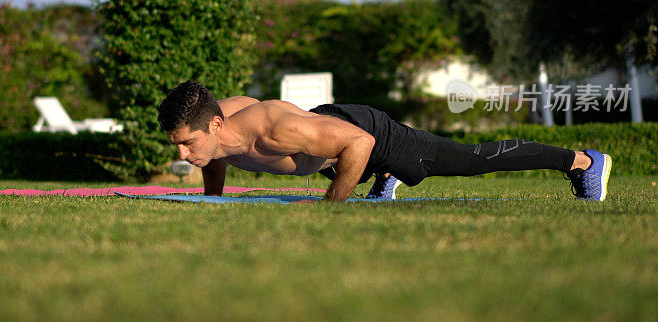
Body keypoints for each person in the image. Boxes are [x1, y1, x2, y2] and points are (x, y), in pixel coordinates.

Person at [158, 81, 612, 203]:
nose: (182, 154)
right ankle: (385, 179)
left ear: (216, 125)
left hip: (364, 132)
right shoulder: (215, 131)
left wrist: (329, 208)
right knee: (329, 156)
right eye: (177, 145)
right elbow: (211, 156)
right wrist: (211, 202)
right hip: (324, 143)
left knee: (472, 159)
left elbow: (357, 142)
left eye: (186, 143)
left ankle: (583, 162)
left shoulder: (274, 128)